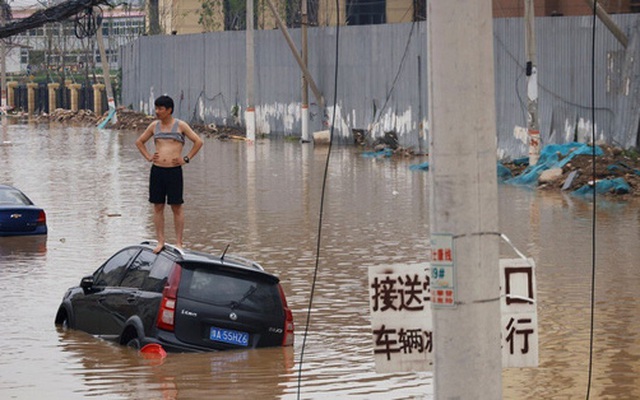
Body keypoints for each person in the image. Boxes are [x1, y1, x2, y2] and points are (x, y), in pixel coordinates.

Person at [136, 95, 203, 253]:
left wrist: (186, 159)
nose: (157, 111)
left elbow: (198, 141)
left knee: (176, 206)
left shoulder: (181, 126)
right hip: (157, 170)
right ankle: (160, 241)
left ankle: (179, 242)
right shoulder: (154, 126)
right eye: (156, 108)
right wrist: (148, 157)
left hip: (174, 171)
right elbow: (139, 142)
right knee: (158, 206)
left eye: (160, 109)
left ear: (169, 110)